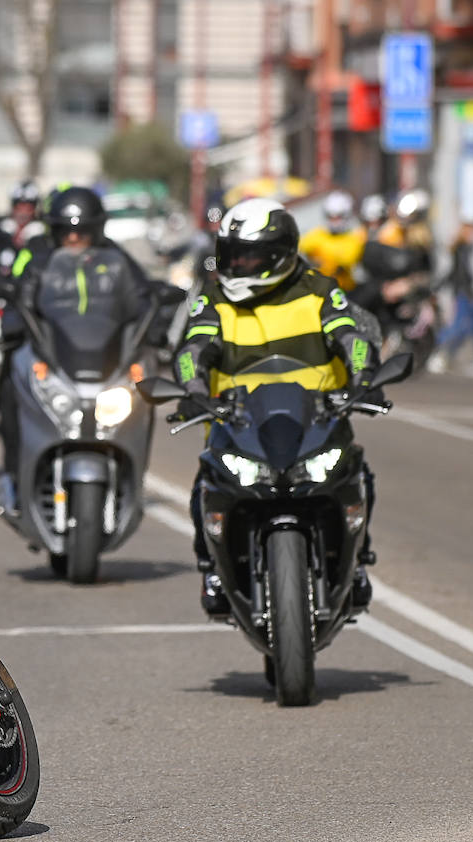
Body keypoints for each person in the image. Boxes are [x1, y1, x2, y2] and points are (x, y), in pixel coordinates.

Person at [172, 198, 379, 616]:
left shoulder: (321, 291)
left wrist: (363, 379)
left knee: (357, 473)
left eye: (250, 255)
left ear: (281, 254)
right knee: (204, 485)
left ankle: (358, 560)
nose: (238, 263)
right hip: (238, 422)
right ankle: (212, 566)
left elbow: (353, 338)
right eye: (232, 254)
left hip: (317, 419)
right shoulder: (213, 298)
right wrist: (194, 390)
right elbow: (192, 349)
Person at [0, 186, 150, 500]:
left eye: (82, 232)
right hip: (53, 354)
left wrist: (157, 322)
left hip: (104, 359)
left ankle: (135, 477)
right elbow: (19, 298)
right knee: (11, 382)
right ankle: (15, 473)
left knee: (146, 388)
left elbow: (144, 297)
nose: (74, 239)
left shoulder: (118, 260)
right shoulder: (39, 260)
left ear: (97, 230)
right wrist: (11, 322)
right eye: (66, 232)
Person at [428, 221, 473, 373]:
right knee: (458, 326)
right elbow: (457, 273)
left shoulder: (467, 249)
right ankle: (439, 354)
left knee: (470, 327)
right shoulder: (462, 250)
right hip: (464, 293)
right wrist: (437, 286)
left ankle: (445, 356)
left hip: (467, 293)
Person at [299, 190, 367, 291]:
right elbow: (300, 249)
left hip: (343, 291)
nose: (334, 221)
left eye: (338, 217)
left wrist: (318, 258)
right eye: (331, 217)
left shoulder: (353, 239)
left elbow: (345, 261)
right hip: (316, 289)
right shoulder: (317, 234)